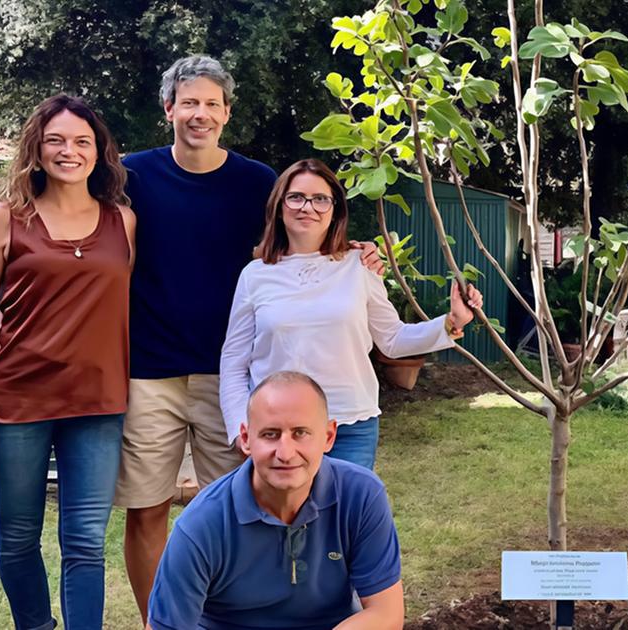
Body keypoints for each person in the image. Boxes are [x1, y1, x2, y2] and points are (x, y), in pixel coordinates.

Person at [107, 54, 385, 623]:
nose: (200, 113)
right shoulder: (130, 177)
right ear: (169, 109)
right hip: (147, 370)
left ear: (227, 113)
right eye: (189, 102)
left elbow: (295, 242)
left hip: (229, 380)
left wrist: (349, 252)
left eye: (212, 103)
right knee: (147, 511)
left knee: (244, 513)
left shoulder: (257, 183)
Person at [219, 158, 483, 469]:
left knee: (345, 517)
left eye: (320, 199)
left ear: (335, 211)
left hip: (349, 426)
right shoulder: (255, 275)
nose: (308, 207)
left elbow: (393, 340)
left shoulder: (360, 265)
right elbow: (234, 362)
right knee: (283, 518)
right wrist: (239, 427)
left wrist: (452, 323)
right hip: (279, 430)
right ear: (279, 206)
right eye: (296, 197)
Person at [0, 94, 135, 629]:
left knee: (85, 542)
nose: (68, 151)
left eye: (81, 141)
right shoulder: (3, 219)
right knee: (19, 536)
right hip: (16, 401)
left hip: (98, 403)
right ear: (37, 148)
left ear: (99, 152)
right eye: (55, 140)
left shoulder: (124, 222)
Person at [147, 371, 404, 630]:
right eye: (270, 434)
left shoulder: (360, 495)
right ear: (246, 439)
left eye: (300, 433)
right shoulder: (202, 524)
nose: (285, 453)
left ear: (328, 436)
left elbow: (386, 613)